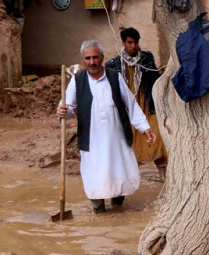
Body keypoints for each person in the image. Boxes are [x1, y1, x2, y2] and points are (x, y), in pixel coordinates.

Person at [56, 40, 156, 214]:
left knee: (119, 175)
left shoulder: (114, 77)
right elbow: (68, 109)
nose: (92, 62)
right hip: (92, 140)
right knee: (95, 176)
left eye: (95, 57)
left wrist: (145, 128)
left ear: (102, 57)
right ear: (83, 60)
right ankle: (98, 209)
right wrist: (62, 111)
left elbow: (131, 105)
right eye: (88, 58)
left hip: (116, 139)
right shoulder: (77, 81)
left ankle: (118, 208)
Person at [105, 27, 168, 181]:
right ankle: (131, 178)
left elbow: (155, 80)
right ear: (123, 43)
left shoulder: (147, 59)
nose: (133, 46)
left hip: (146, 104)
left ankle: (162, 175)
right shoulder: (113, 64)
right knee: (128, 142)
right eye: (130, 42)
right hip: (126, 108)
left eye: (136, 42)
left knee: (157, 136)